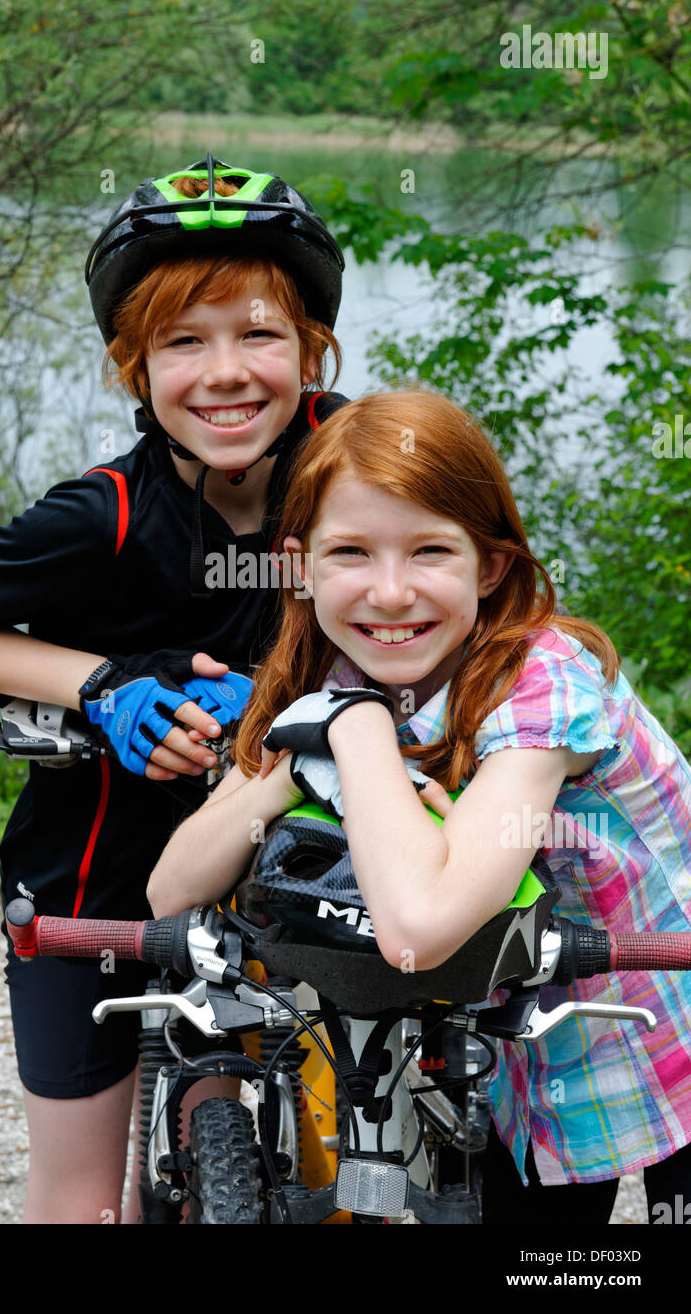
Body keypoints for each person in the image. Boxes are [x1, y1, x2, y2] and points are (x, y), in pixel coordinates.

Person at [0, 154, 347, 1223]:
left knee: (292, 1146)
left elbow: (467, 598)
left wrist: (289, 698)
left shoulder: (355, 469)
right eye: (184, 341)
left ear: (313, 349)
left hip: (289, 865)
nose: (225, 371)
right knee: (82, 1195)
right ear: (130, 368)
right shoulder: (107, 513)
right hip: (88, 879)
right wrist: (102, 685)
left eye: (260, 333)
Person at [148, 389, 691, 1224]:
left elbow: (419, 926)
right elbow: (171, 890)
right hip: (517, 1039)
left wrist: (352, 732)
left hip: (658, 1008)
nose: (390, 594)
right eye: (351, 554)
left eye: (430, 550)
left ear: (492, 565)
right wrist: (309, 752)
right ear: (301, 566)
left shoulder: (545, 680)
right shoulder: (343, 675)